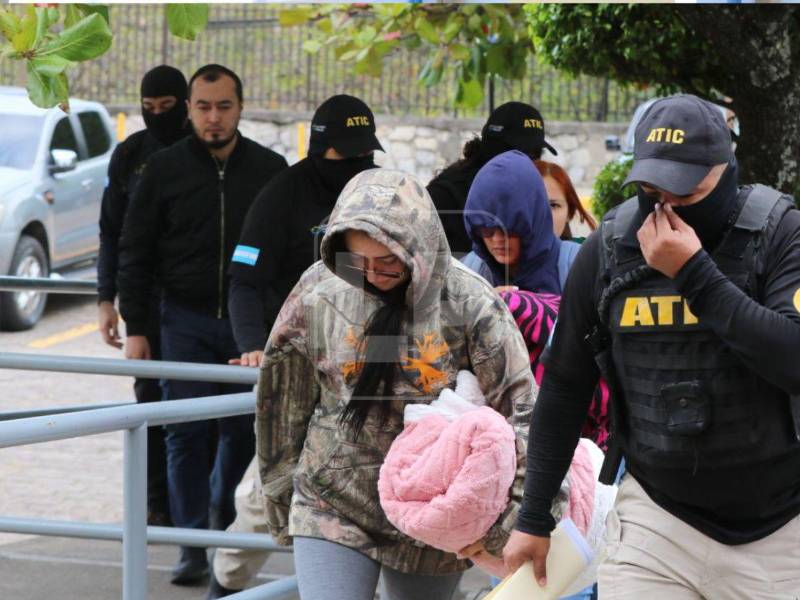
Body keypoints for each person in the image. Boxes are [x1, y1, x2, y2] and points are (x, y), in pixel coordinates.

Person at [503, 94, 800, 598]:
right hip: (655, 520)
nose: (666, 207)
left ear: (724, 170)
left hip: (778, 527)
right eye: (650, 188)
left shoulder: (779, 232)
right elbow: (565, 384)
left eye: (686, 192)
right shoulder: (611, 244)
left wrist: (694, 275)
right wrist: (533, 517)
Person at [255, 169, 539, 600]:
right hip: (332, 498)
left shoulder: (470, 303)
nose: (373, 274)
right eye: (359, 260)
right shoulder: (320, 290)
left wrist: (512, 519)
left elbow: (522, 413)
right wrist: (278, 490)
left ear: (419, 246)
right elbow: (281, 397)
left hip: (432, 509)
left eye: (387, 260)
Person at [207, 94, 384, 598]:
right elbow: (243, 278)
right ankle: (224, 586)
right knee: (261, 497)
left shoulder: (377, 196)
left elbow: (399, 287)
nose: (355, 165)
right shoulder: (282, 194)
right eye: (344, 154)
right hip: (303, 369)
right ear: (319, 147)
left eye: (363, 153)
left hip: (372, 375)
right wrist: (252, 347)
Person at [117, 64, 288, 585]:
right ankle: (191, 545)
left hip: (247, 329)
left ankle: (222, 534)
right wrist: (137, 328)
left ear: (241, 107)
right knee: (184, 437)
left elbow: (284, 255)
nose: (213, 118)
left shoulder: (269, 168)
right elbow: (134, 251)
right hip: (182, 323)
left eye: (224, 106)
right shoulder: (162, 169)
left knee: (240, 434)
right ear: (190, 108)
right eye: (203, 107)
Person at [97, 64, 191, 527]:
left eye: (167, 108)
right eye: (148, 109)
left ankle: (201, 509)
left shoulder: (205, 154)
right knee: (151, 405)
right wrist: (105, 300)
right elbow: (112, 233)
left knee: (200, 412)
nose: (157, 116)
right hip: (145, 305)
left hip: (195, 305)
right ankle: (158, 505)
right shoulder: (130, 154)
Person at [428, 102, 557, 256]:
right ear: (493, 148)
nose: (529, 164)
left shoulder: (535, 193)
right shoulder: (445, 197)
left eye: (536, 155)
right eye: (521, 154)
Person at [461, 150, 581, 295]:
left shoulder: (578, 266)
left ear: (534, 219)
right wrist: (482, 307)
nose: (497, 240)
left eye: (509, 229)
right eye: (486, 230)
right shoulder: (468, 271)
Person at [534, 160, 597, 242]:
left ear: (569, 213)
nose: (544, 215)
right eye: (534, 204)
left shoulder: (587, 252)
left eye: (553, 205)